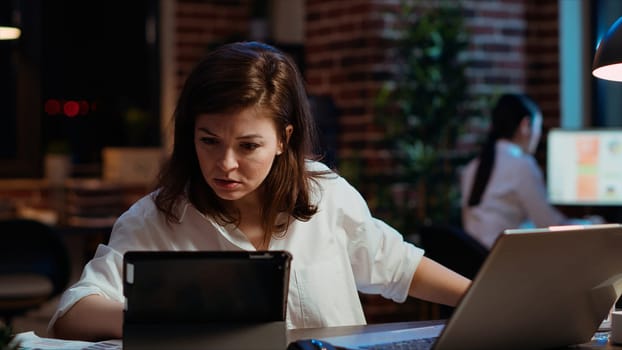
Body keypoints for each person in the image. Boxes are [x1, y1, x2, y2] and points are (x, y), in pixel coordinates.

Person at [49, 41, 470, 341]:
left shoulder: (325, 194)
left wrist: (482, 298)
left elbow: (396, 265)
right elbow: (71, 315)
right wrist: (164, 315)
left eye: (248, 146)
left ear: (284, 139)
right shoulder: (155, 218)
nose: (226, 164)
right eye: (208, 140)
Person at [460, 93, 602, 249]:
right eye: (538, 128)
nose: (538, 135)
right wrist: (592, 224)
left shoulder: (472, 167)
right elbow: (550, 225)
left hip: (475, 263)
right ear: (525, 125)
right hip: (505, 262)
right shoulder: (522, 166)